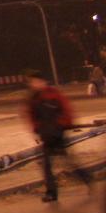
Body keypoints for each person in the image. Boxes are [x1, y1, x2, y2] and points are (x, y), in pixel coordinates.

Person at [24, 68, 89, 202]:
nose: (33, 85)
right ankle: (52, 193)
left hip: (57, 135)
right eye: (32, 82)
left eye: (35, 82)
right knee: (48, 165)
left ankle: (86, 179)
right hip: (46, 136)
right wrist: (38, 128)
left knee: (68, 162)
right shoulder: (33, 98)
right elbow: (31, 116)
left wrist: (58, 126)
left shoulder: (55, 95)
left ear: (43, 81)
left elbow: (67, 112)